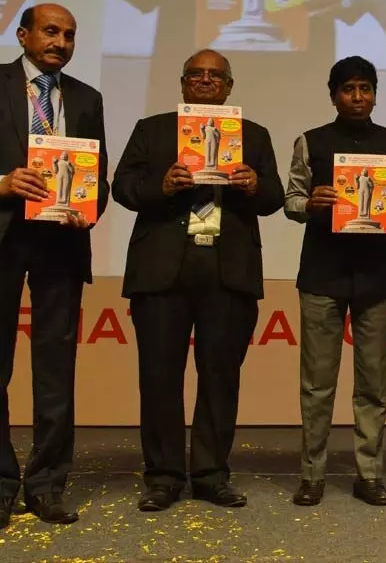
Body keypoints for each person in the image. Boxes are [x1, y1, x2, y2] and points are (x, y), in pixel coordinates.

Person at [112, 49, 284, 513]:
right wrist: (161, 186)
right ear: (182, 82)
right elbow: (121, 188)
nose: (206, 81)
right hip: (162, 271)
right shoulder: (152, 129)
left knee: (221, 378)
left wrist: (254, 185)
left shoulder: (254, 135)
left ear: (229, 87)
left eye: (216, 76)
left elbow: (276, 197)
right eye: (197, 74)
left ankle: (211, 474)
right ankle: (164, 476)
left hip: (228, 273)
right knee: (159, 378)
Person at [283, 55, 386, 507]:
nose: (357, 98)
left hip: (377, 274)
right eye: (348, 89)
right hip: (322, 272)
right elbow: (291, 199)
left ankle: (369, 473)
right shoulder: (312, 141)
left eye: (365, 89)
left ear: (376, 93)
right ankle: (312, 474)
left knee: (373, 384)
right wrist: (311, 203)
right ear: (333, 94)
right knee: (317, 382)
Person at [0, 4, 109, 528]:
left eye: (69, 34)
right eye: (50, 31)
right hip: (2, 235)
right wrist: (1, 184)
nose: (60, 42)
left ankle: (46, 485)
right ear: (22, 34)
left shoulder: (87, 98)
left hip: (61, 243)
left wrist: (88, 209)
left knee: (55, 369)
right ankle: (0, 484)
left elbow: (101, 179)